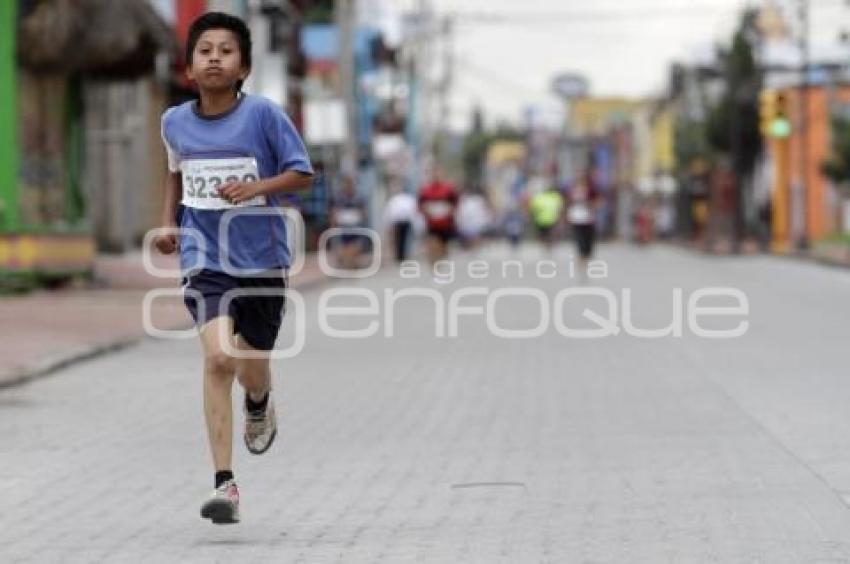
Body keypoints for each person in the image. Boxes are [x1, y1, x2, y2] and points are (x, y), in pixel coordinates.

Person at [154, 12, 313, 525]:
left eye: (226, 50)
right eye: (205, 50)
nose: (215, 57)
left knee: (250, 367)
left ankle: (260, 400)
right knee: (219, 360)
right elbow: (175, 176)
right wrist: (167, 225)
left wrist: (257, 189)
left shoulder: (264, 116)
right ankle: (225, 485)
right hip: (204, 255)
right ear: (190, 66)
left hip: (262, 260)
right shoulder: (174, 121)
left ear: (243, 66)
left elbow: (302, 174)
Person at [418, 169, 458, 263]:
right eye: (434, 174)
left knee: (443, 247)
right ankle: (433, 260)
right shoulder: (425, 190)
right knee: (433, 243)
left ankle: (441, 258)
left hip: (446, 224)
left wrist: (449, 210)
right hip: (432, 223)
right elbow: (420, 205)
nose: (436, 177)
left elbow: (455, 204)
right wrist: (427, 211)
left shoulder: (448, 189)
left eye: (438, 174)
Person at [329, 176, 368, 269]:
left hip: (355, 227)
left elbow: (364, 212)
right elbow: (334, 211)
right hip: (343, 228)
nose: (349, 186)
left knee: (355, 247)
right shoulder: (339, 197)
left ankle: (351, 263)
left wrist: (360, 216)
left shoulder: (359, 197)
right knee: (344, 248)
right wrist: (334, 222)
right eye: (347, 184)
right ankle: (347, 264)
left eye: (351, 184)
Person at [567, 174, 600, 270]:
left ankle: (586, 256)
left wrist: (591, 205)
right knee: (579, 240)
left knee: (588, 241)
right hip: (577, 219)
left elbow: (598, 201)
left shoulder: (591, 190)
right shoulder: (572, 191)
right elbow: (568, 203)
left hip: (589, 219)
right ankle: (581, 259)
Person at [383, 183, 418, 263]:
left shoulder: (407, 199)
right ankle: (399, 255)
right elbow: (390, 212)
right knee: (398, 239)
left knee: (404, 239)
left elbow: (412, 211)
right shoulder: (394, 199)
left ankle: (403, 254)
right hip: (398, 222)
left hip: (405, 221)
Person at [528, 185, 564, 250]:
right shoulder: (554, 196)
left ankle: (547, 246)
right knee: (546, 234)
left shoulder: (540, 197)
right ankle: (547, 246)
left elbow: (533, 208)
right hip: (547, 219)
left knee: (546, 234)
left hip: (545, 219)